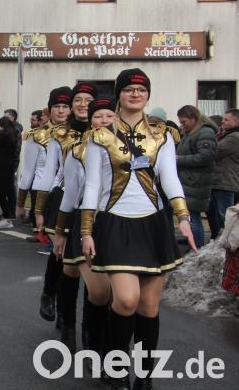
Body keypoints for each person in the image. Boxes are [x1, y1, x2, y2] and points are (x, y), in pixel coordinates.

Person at [80, 68, 196, 390]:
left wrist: (183, 216)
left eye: (141, 89)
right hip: (114, 223)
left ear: (148, 94)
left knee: (148, 306)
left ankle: (143, 376)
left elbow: (170, 178)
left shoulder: (163, 133)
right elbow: (92, 187)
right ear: (119, 93)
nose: (135, 94)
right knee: (127, 300)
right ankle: (117, 365)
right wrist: (86, 231)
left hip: (153, 224)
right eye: (129, 89)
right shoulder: (98, 136)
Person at [53, 95, 117, 367]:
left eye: (109, 116)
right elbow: (71, 194)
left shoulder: (130, 147)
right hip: (85, 219)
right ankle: (77, 331)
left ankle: (104, 346)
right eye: (98, 116)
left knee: (116, 292)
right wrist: (61, 230)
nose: (104, 121)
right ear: (89, 121)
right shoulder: (78, 149)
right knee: (97, 289)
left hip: (118, 221)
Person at [34, 81, 97, 353]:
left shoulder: (106, 130)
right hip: (65, 198)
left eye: (88, 100)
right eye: (78, 100)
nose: (83, 105)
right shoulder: (59, 135)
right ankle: (56, 303)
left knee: (92, 265)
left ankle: (89, 329)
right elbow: (48, 173)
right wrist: (38, 208)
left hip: (97, 205)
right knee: (64, 258)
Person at [20, 86, 73, 324]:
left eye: (65, 106)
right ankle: (51, 296)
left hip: (85, 199)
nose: (61, 111)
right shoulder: (38, 136)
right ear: (49, 110)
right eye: (57, 107)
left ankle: (67, 308)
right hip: (53, 196)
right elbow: (32, 172)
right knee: (61, 252)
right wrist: (31, 207)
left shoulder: (86, 131)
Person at [176, 105, 217, 248]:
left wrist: (178, 159)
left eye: (184, 121)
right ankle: (192, 243)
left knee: (193, 217)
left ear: (193, 119)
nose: (182, 125)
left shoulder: (205, 132)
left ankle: (197, 248)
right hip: (190, 181)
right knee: (190, 216)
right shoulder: (192, 132)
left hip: (196, 182)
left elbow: (205, 157)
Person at [212, 110, 239, 235]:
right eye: (223, 119)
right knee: (217, 215)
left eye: (226, 119)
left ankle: (227, 245)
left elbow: (214, 152)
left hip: (225, 182)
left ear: (236, 121)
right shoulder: (227, 135)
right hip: (221, 181)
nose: (222, 122)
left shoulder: (234, 137)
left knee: (225, 217)